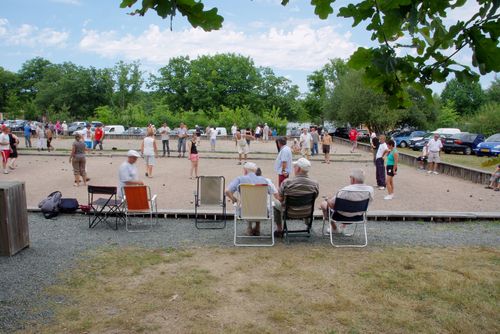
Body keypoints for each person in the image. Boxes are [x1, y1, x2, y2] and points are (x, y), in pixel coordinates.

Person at [273, 158, 319, 237]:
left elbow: (280, 199)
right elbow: (314, 198)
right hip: (306, 211)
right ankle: (308, 225)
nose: (293, 168)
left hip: (290, 212)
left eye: (295, 166)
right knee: (307, 203)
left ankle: (279, 229)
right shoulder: (314, 184)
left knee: (275, 204)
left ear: (298, 169)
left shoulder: (287, 182)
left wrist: (275, 194)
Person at [320, 169, 374, 233]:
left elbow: (332, 205)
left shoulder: (345, 190)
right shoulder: (370, 190)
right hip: (358, 216)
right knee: (351, 206)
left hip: (339, 217)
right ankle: (342, 227)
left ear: (353, 179)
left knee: (324, 204)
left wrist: (327, 199)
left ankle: (334, 228)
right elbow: (368, 203)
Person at [225, 162, 272, 236]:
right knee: (257, 203)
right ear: (255, 171)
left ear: (245, 171)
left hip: (245, 212)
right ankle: (257, 227)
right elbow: (270, 192)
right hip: (263, 212)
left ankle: (249, 227)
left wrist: (234, 199)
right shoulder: (264, 180)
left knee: (247, 204)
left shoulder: (240, 179)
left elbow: (227, 191)